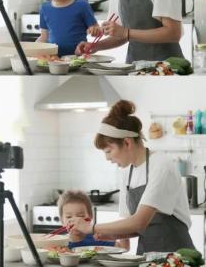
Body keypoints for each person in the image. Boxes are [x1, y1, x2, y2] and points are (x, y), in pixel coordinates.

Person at [68, 100, 194, 254]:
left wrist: (91, 227)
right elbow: (133, 229)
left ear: (127, 143)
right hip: (145, 256)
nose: (107, 158)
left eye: (108, 151)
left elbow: (139, 223)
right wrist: (105, 234)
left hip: (176, 255)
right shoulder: (127, 173)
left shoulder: (161, 165)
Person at [57, 190, 127, 249]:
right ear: (62, 221)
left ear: (90, 217)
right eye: (69, 217)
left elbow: (123, 247)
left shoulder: (97, 237)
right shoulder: (58, 242)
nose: (75, 221)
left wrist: (124, 228)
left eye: (80, 216)